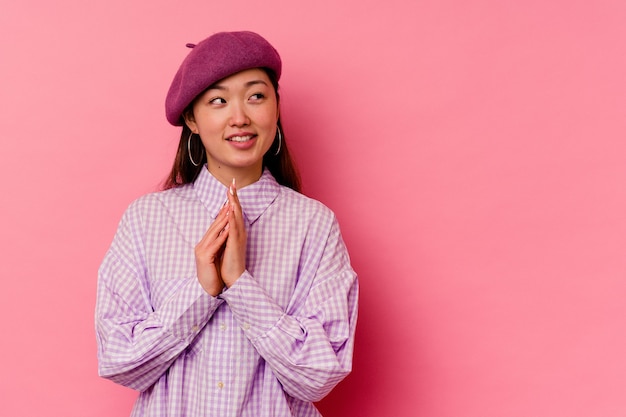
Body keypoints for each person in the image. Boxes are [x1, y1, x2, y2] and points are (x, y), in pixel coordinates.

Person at [95, 31, 359, 417]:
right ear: (192, 119)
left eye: (256, 96)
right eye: (218, 101)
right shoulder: (147, 219)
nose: (240, 117)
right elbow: (119, 358)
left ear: (276, 107)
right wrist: (201, 292)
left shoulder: (313, 225)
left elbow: (319, 375)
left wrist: (240, 285)